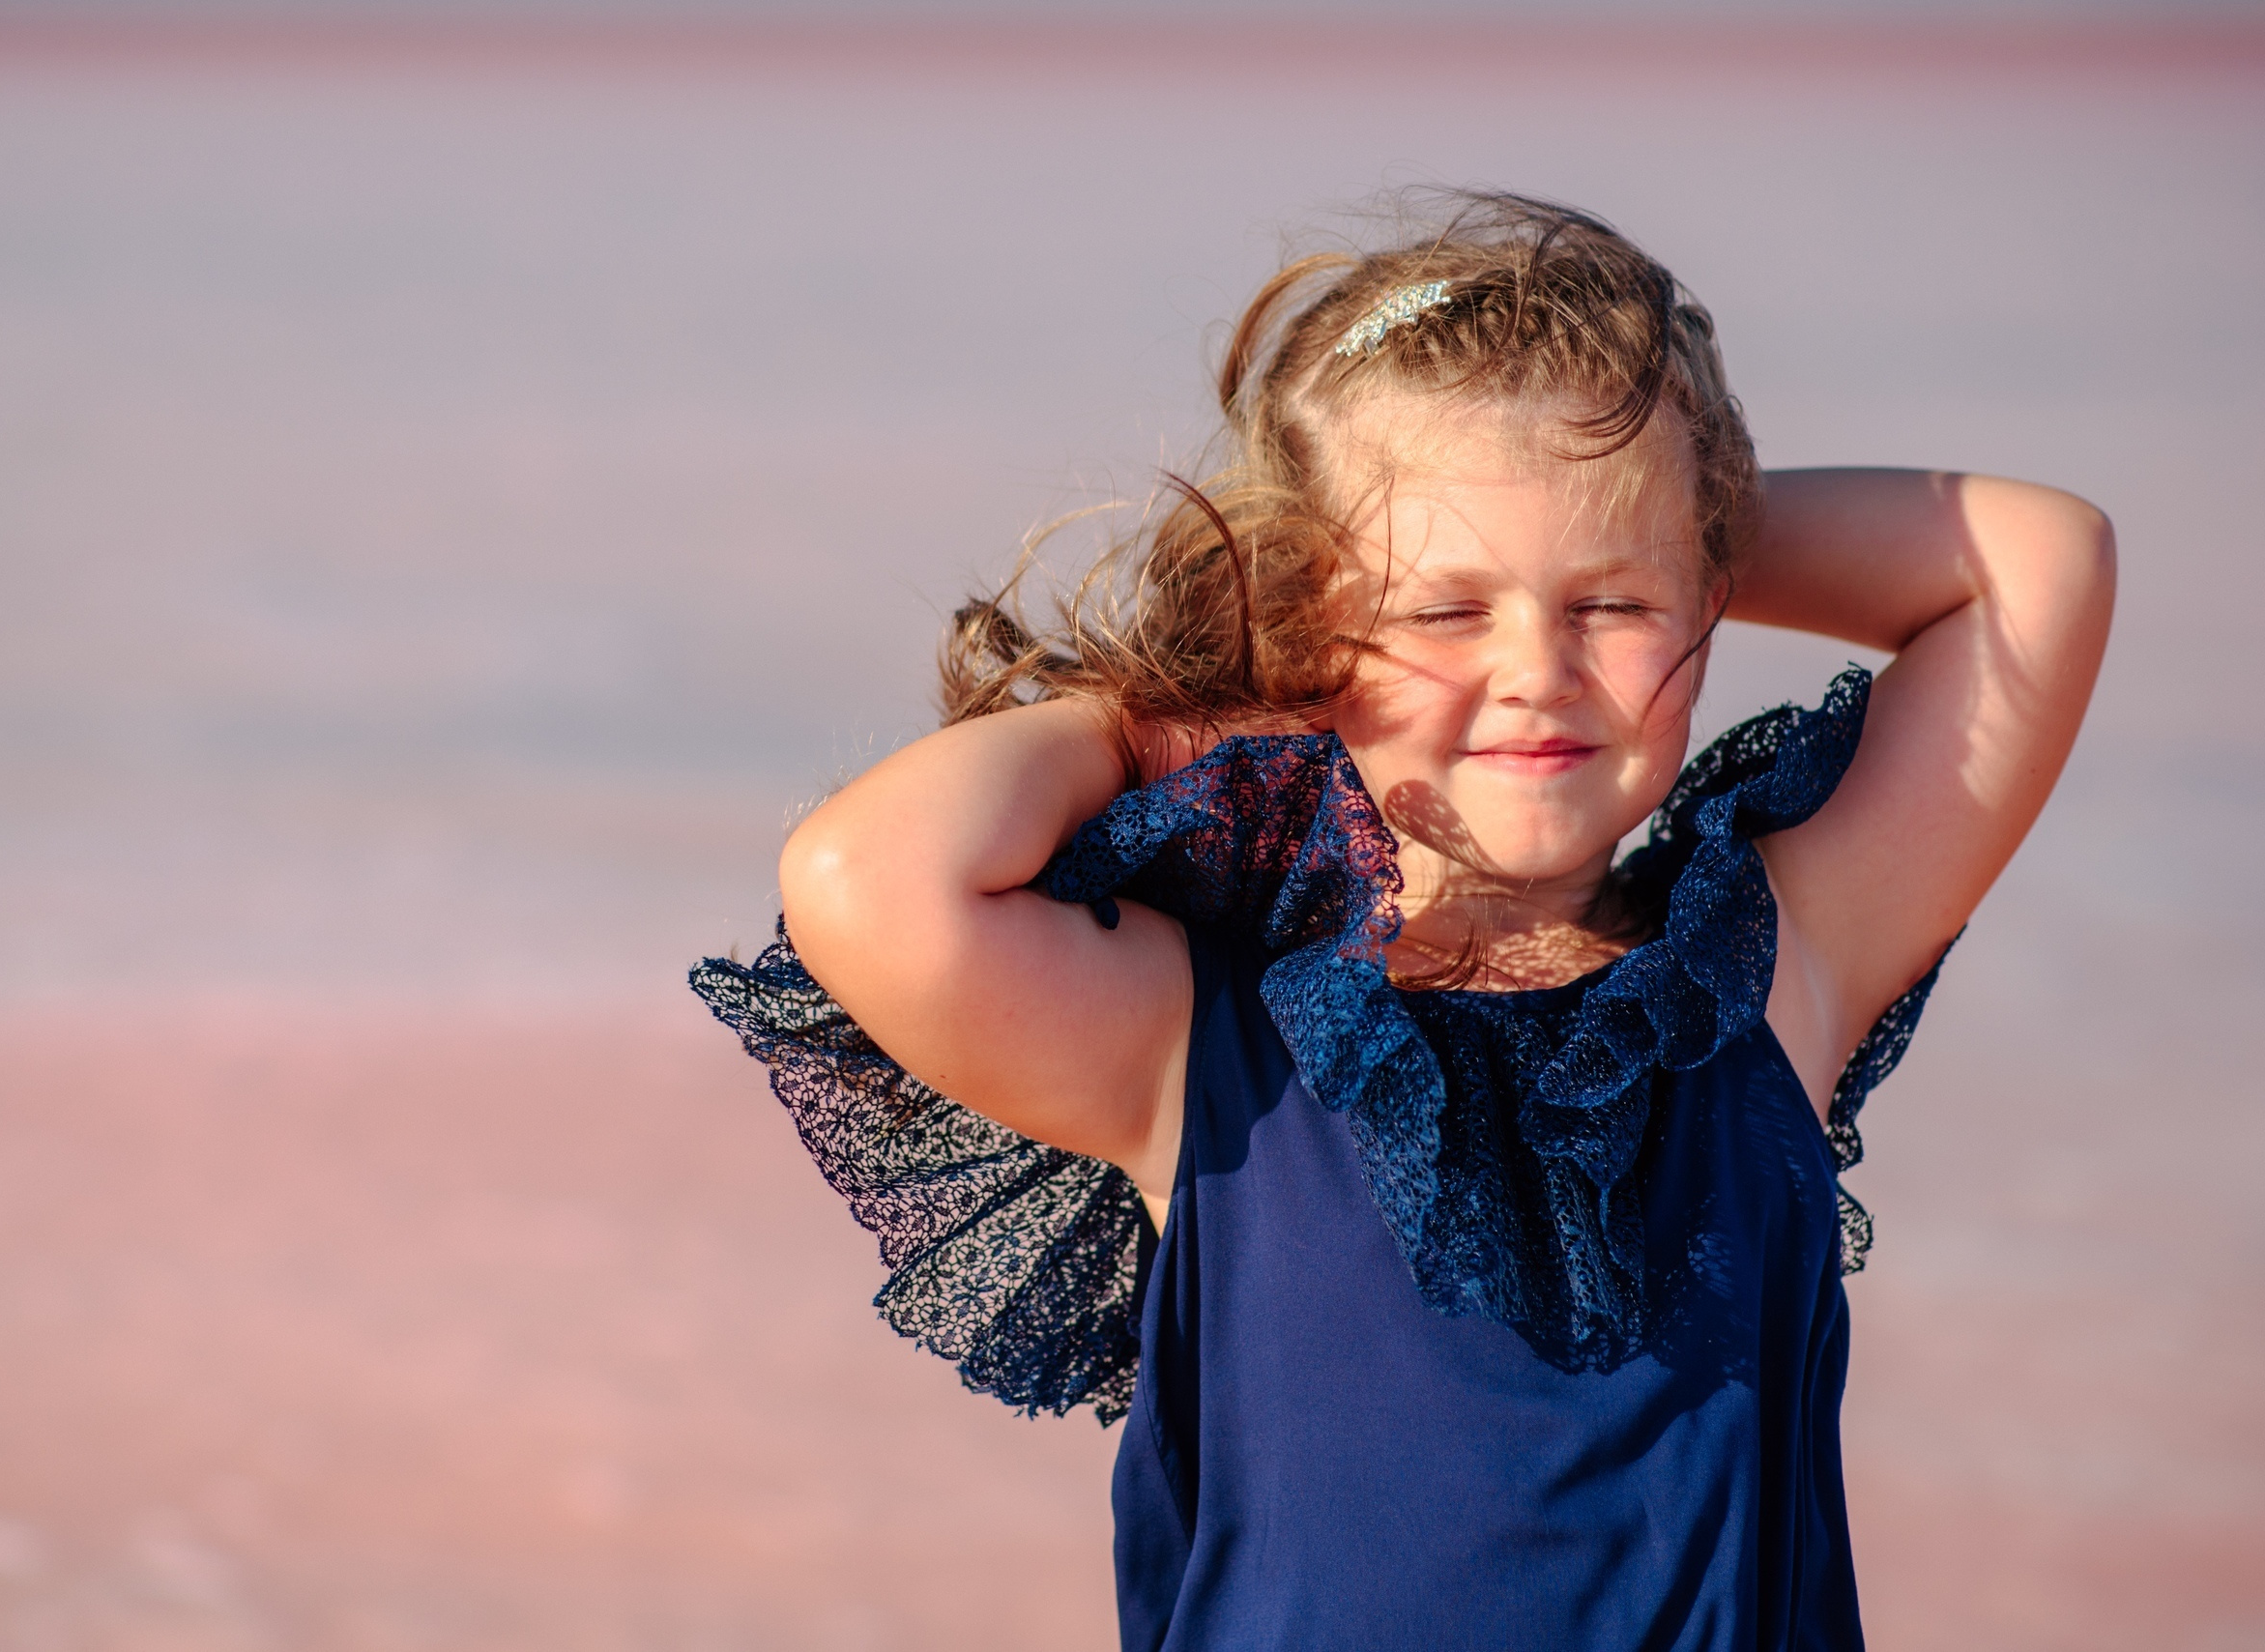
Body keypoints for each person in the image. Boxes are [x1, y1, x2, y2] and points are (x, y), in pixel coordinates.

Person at [689, 192, 2113, 1650]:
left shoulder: (1773, 977)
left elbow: (2041, 566)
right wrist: (1167, 709)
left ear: (1708, 601)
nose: (1537, 672)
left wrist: (1666, 498)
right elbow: (869, 878)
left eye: (1613, 603)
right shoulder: (1204, 1041)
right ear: (1310, 627)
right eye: (1447, 612)